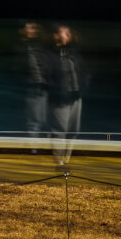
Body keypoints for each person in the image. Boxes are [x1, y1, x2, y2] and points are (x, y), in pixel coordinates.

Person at [45, 24, 88, 169]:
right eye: (64, 33)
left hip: (76, 97)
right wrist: (55, 91)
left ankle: (67, 160)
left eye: (69, 33)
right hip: (60, 99)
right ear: (56, 35)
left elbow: (84, 72)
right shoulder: (49, 55)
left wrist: (82, 88)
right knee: (59, 130)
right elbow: (47, 76)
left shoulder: (74, 53)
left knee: (73, 130)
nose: (68, 35)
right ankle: (59, 162)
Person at [15, 22, 48, 140]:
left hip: (42, 85)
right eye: (28, 28)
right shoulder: (22, 46)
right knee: (33, 119)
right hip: (31, 85)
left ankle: (35, 142)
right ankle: (32, 146)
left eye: (33, 28)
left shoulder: (39, 46)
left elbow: (44, 64)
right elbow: (19, 67)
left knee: (41, 118)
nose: (31, 30)